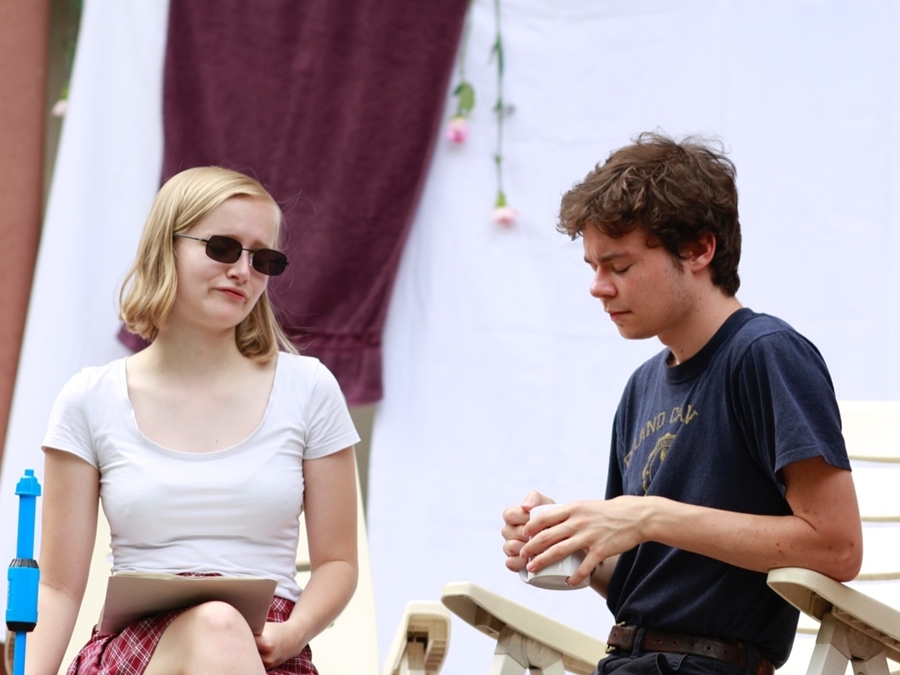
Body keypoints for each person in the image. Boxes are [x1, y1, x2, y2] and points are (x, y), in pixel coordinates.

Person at [501, 132, 862, 675]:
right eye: (592, 266)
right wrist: (569, 542)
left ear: (698, 249)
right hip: (626, 660)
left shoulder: (765, 354)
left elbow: (837, 547)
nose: (598, 287)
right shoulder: (641, 387)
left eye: (619, 266)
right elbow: (645, 581)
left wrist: (648, 516)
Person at [26, 166, 360, 675]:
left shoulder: (309, 389)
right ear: (167, 248)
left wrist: (294, 632)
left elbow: (338, 562)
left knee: (224, 630)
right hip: (139, 653)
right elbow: (57, 588)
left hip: (270, 648)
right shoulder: (90, 399)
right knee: (218, 626)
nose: (243, 271)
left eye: (263, 259)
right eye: (223, 248)